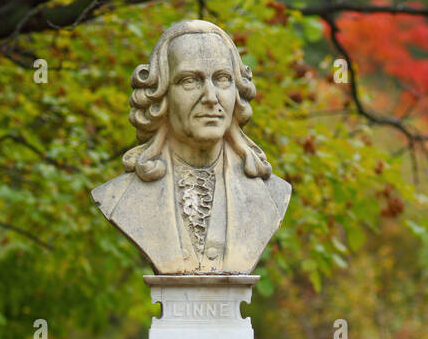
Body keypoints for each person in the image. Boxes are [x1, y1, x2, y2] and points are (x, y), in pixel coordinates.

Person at [92, 19, 291, 275]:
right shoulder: (121, 198)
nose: (210, 97)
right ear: (161, 97)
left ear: (237, 91)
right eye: (189, 81)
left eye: (222, 79)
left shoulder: (272, 194)